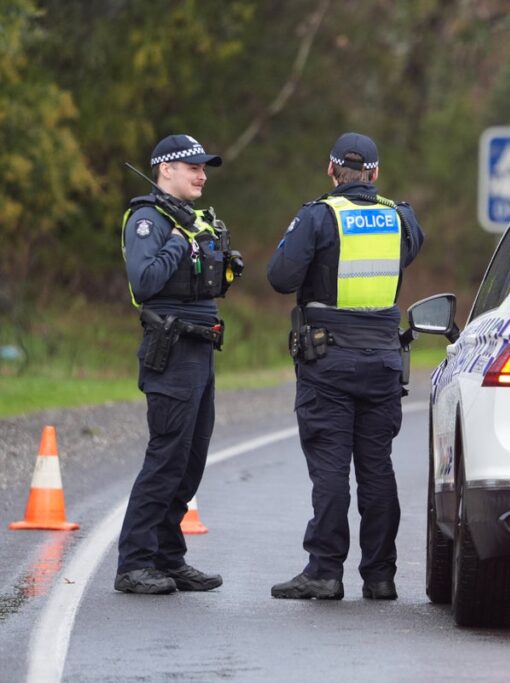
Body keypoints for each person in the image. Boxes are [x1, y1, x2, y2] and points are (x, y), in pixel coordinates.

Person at [267, 132, 424, 600]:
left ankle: (324, 571)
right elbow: (409, 251)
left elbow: (280, 277)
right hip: (383, 361)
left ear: (331, 169)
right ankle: (380, 576)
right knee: (377, 469)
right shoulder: (401, 217)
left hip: (328, 361)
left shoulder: (318, 216)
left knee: (331, 469)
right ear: (375, 173)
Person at [116, 134, 243, 594]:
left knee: (190, 460)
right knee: (166, 457)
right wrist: (177, 242)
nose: (202, 175)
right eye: (193, 167)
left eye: (204, 167)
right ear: (165, 169)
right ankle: (133, 564)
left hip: (201, 348)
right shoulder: (149, 220)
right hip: (171, 351)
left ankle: (168, 558)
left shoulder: (193, 219)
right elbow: (145, 282)